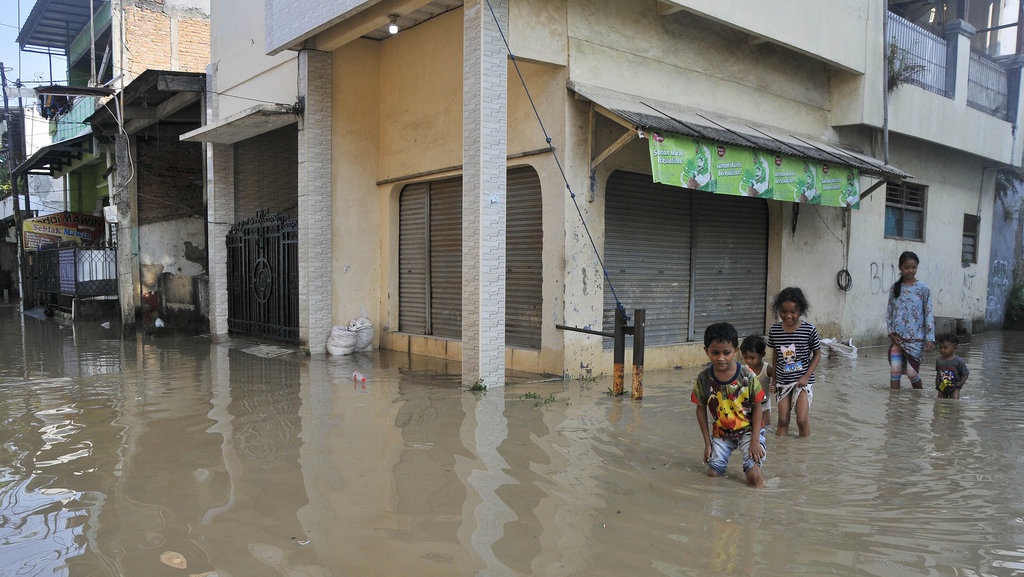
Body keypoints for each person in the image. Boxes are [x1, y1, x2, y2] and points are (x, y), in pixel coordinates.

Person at [691, 322, 766, 487]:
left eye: (726, 353)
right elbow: (700, 409)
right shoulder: (703, 379)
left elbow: (757, 406)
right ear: (706, 351)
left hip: (749, 430)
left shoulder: (747, 375)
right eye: (715, 353)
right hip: (722, 433)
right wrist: (707, 444)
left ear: (736, 351)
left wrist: (755, 440)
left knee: (753, 476)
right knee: (713, 475)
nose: (720, 358)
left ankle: (760, 499)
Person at [767, 287, 821, 437]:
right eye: (783, 312)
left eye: (793, 312)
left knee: (802, 420)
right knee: (782, 420)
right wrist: (774, 381)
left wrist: (806, 376)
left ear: (801, 311)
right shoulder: (774, 330)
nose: (788, 316)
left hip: (802, 382)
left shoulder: (809, 330)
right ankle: (781, 449)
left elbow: (817, 354)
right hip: (782, 382)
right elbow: (776, 356)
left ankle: (804, 449)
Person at [886, 251, 935, 390]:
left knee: (912, 373)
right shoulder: (895, 288)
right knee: (895, 373)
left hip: (916, 340)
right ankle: (894, 401)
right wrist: (891, 333)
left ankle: (918, 398)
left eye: (914, 267)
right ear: (900, 267)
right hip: (898, 339)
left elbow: (929, 314)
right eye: (907, 267)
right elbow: (889, 312)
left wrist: (930, 338)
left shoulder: (923, 289)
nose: (910, 271)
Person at [740, 334, 773, 429]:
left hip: (764, 404)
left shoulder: (767, 369)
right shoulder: (744, 370)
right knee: (750, 429)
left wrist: (775, 386)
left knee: (765, 428)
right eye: (745, 357)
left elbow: (778, 380)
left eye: (752, 358)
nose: (748, 361)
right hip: (750, 406)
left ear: (763, 355)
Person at [934, 333, 969, 399]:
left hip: (955, 387)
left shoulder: (958, 361)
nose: (942, 350)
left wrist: (960, 383)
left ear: (954, 347)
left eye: (945, 348)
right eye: (940, 347)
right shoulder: (939, 360)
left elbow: (965, 374)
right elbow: (938, 373)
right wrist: (936, 384)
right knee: (939, 401)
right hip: (942, 385)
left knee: (954, 401)